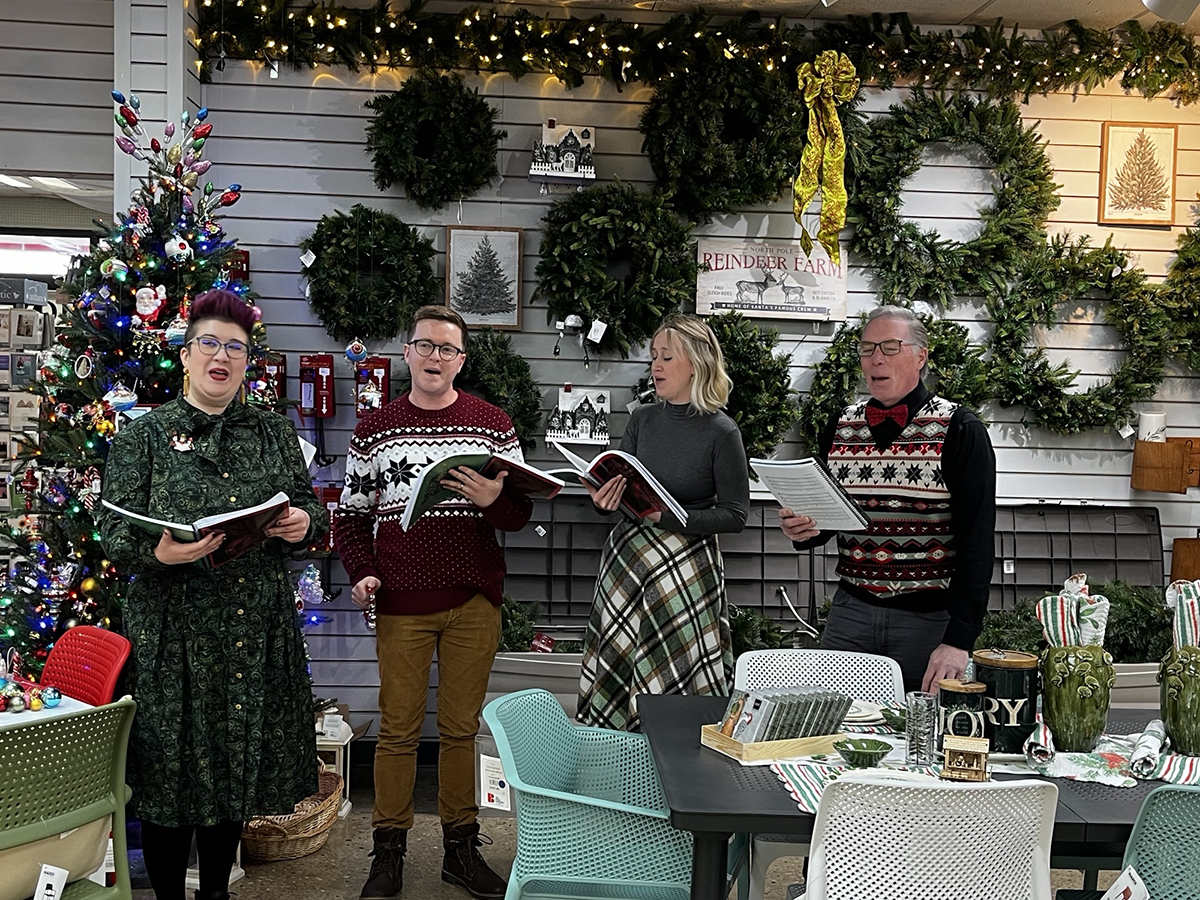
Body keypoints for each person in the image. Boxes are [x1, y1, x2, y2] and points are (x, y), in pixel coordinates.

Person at [99, 289, 325, 900]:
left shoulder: (274, 433)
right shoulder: (144, 437)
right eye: (209, 343)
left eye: (235, 347)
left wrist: (303, 523)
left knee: (232, 767)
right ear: (186, 355)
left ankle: (218, 891)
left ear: (247, 360)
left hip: (253, 629)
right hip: (172, 632)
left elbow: (309, 508)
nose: (221, 356)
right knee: (171, 770)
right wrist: (158, 552)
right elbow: (113, 527)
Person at [333, 305, 530, 900]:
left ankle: (460, 851)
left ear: (462, 360)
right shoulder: (375, 427)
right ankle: (387, 853)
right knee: (397, 731)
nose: (435, 357)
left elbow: (518, 515)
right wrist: (363, 571)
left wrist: (495, 497)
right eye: (425, 346)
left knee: (459, 730)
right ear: (407, 353)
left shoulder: (493, 424)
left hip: (473, 599)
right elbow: (349, 516)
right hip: (401, 601)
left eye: (448, 349)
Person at [778, 305, 996, 694]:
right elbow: (832, 518)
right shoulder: (842, 425)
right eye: (867, 348)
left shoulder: (959, 429)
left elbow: (977, 543)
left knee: (921, 738)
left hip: (928, 623)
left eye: (890, 347)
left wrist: (960, 639)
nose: (876, 358)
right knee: (835, 731)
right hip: (850, 615)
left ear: (921, 356)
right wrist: (804, 531)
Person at [577, 314, 749, 732]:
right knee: (617, 680)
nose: (655, 366)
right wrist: (604, 501)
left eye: (666, 357)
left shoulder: (722, 431)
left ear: (696, 362)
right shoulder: (642, 419)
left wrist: (670, 517)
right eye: (653, 356)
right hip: (627, 565)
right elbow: (620, 485)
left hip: (686, 572)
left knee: (678, 687)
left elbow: (735, 515)